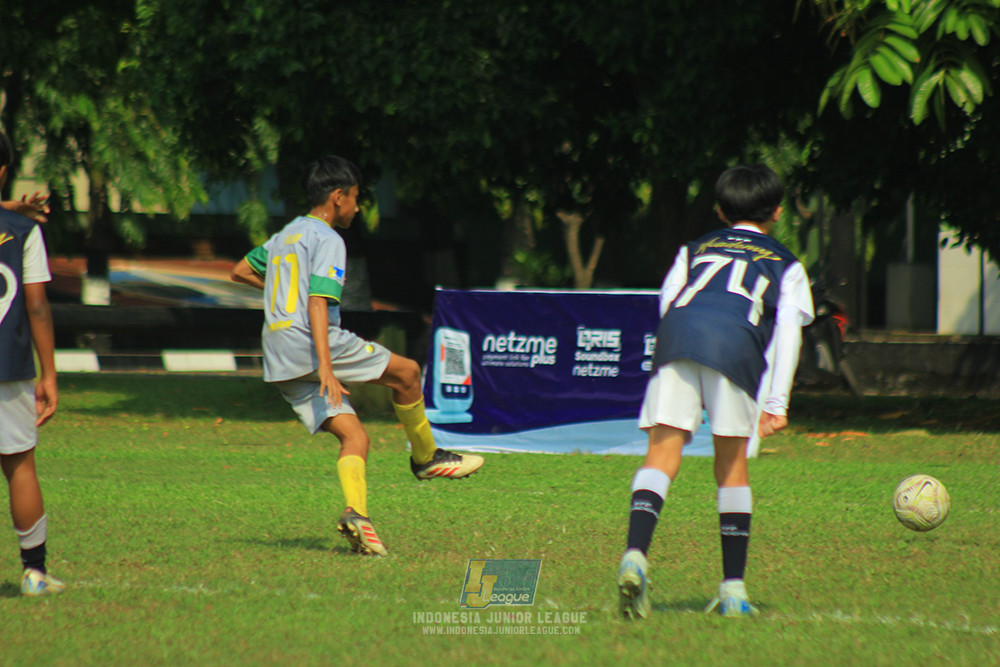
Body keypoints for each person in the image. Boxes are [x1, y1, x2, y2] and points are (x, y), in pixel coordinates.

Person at [231, 155, 484, 557]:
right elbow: (317, 303)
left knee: (356, 436)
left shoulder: (285, 236)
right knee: (407, 372)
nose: (358, 206)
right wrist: (327, 369)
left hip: (277, 354)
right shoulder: (328, 239)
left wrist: (283, 295)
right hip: (312, 344)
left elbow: (241, 270)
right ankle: (426, 457)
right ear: (337, 197)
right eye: (355, 197)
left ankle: (357, 516)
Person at [616, 164, 814, 619]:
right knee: (731, 468)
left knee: (661, 457)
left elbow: (667, 302)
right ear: (778, 212)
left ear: (721, 210)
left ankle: (635, 553)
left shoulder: (695, 248)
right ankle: (733, 591)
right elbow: (789, 336)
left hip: (677, 338)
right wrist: (776, 403)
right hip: (734, 347)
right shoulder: (787, 264)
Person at [0, 130, 63, 596]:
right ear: (3, 173)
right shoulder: (25, 231)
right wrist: (50, 373)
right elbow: (38, 306)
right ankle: (35, 574)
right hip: (10, 368)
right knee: (19, 465)